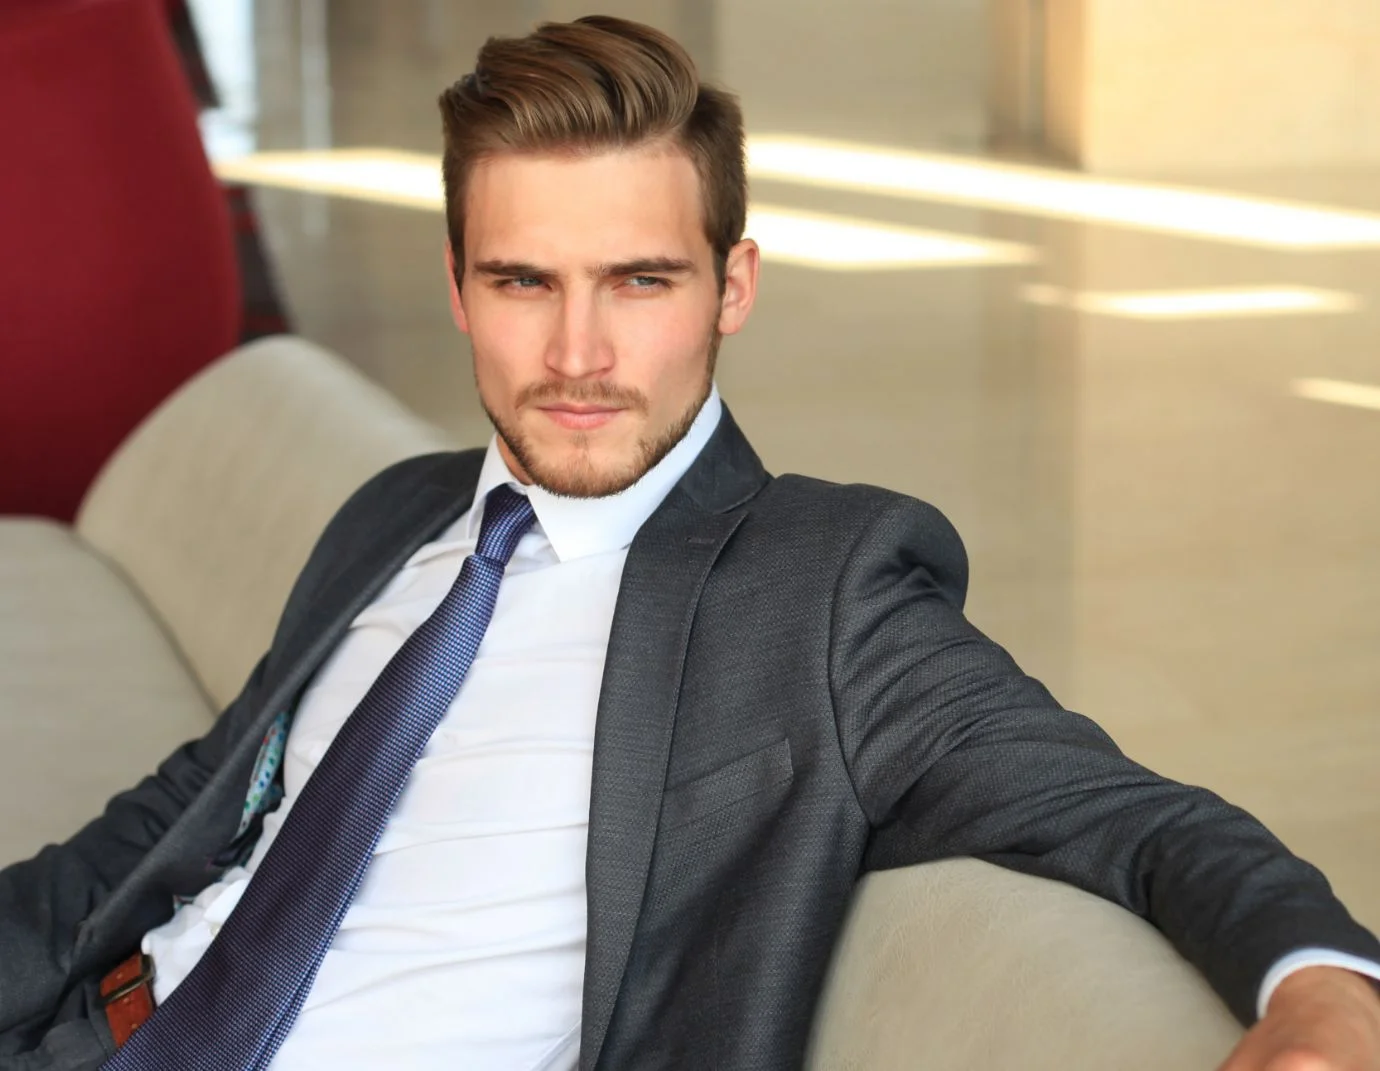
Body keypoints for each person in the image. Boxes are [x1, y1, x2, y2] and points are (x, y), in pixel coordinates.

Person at [2, 14, 1379, 1071]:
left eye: (641, 281)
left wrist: (1323, 990)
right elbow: (186, 809)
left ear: (733, 287)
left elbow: (1141, 822)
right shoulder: (394, 518)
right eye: (523, 280)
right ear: (457, 290)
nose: (579, 352)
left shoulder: (819, 588)